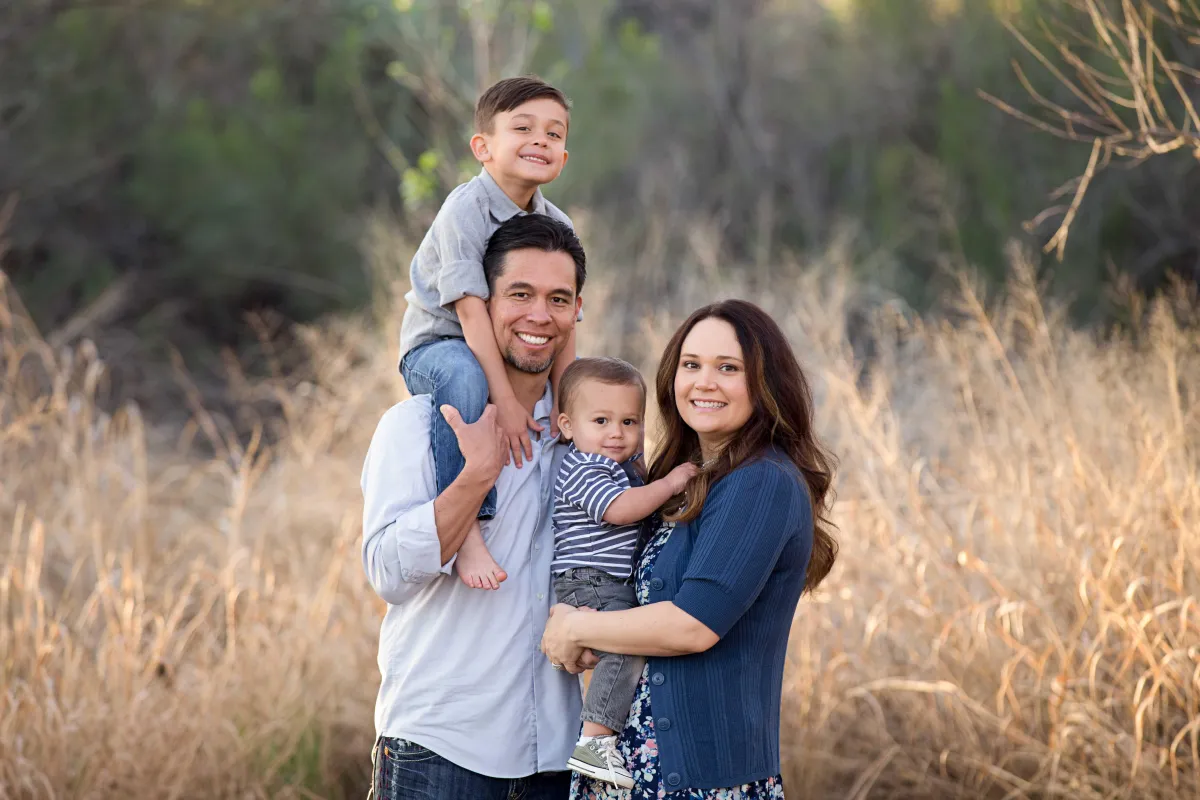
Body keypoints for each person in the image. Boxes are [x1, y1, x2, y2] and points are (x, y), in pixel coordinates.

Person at [540, 299, 839, 799]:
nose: (704, 381)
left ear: (765, 384)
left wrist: (574, 626)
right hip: (631, 768)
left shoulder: (761, 482)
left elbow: (693, 625)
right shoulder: (687, 481)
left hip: (700, 780)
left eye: (728, 368)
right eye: (691, 365)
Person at [362, 213, 593, 800]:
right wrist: (476, 475)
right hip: (440, 751)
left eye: (557, 299)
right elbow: (388, 572)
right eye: (520, 294)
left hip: (556, 759)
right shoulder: (416, 426)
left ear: (577, 311)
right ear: (481, 304)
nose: (539, 316)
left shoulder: (587, 439)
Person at [398, 74, 578, 592]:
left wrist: (566, 402)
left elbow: (568, 324)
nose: (540, 141)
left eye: (554, 134)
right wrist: (507, 398)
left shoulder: (557, 226)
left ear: (564, 158)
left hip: (501, 343)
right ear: (483, 147)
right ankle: (470, 526)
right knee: (465, 377)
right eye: (523, 128)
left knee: (592, 388)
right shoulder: (464, 210)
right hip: (438, 345)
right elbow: (471, 313)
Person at [550, 357, 698, 789]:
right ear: (567, 425)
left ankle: (598, 737)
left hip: (602, 581)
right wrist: (670, 484)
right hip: (589, 579)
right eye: (601, 420)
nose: (617, 432)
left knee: (620, 646)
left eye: (630, 421)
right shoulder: (583, 469)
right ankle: (595, 742)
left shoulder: (617, 466)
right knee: (625, 645)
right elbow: (620, 511)